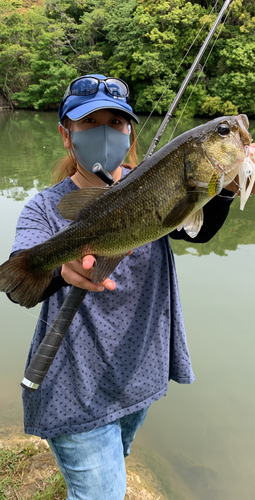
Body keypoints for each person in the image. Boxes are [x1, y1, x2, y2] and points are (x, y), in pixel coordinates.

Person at [8, 74, 254, 500]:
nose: (106, 132)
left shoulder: (156, 180)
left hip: (139, 373)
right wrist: (59, 270)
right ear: (66, 134)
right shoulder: (45, 207)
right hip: (75, 387)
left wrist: (227, 189)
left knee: (110, 469)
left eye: (117, 123)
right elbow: (19, 284)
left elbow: (195, 229)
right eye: (90, 123)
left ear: (130, 132)